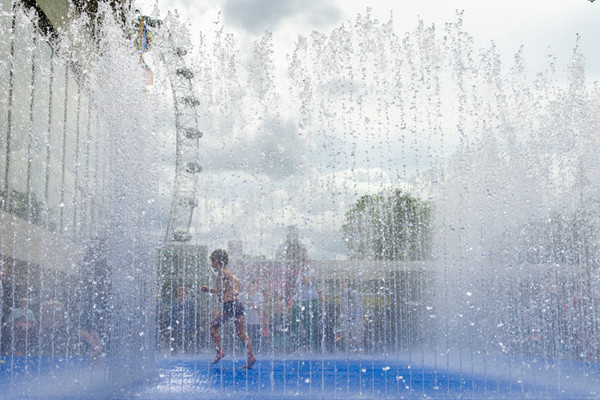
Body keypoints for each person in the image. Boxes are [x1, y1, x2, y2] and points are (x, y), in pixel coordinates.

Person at [201, 249, 256, 369]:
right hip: (237, 304)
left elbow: (226, 288)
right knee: (240, 332)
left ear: (217, 261)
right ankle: (250, 356)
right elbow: (236, 281)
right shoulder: (226, 272)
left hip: (230, 305)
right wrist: (235, 290)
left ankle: (220, 351)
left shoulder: (221, 273)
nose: (211, 264)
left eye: (212, 261)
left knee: (213, 326)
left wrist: (209, 290)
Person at [290, 254, 320, 352]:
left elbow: (308, 283)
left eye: (303, 261)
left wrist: (303, 272)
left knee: (308, 323)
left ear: (307, 263)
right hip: (300, 301)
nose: (301, 264)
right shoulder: (299, 274)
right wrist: (294, 298)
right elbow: (299, 289)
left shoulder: (311, 272)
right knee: (294, 321)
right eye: (300, 262)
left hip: (310, 301)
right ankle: (297, 345)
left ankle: (310, 347)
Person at [168, 286, 197, 354]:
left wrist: (193, 327)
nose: (181, 294)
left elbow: (193, 316)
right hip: (176, 327)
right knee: (174, 342)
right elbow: (170, 316)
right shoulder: (174, 303)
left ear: (185, 294)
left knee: (187, 343)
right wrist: (170, 327)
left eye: (183, 293)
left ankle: (187, 355)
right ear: (178, 294)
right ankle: (174, 355)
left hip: (187, 327)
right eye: (180, 293)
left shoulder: (190, 303)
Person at [339, 280, 364, 352]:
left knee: (356, 340)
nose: (341, 285)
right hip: (346, 321)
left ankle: (359, 353)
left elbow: (358, 306)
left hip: (354, 320)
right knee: (347, 340)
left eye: (343, 282)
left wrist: (359, 320)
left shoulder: (353, 293)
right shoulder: (342, 295)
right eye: (340, 283)